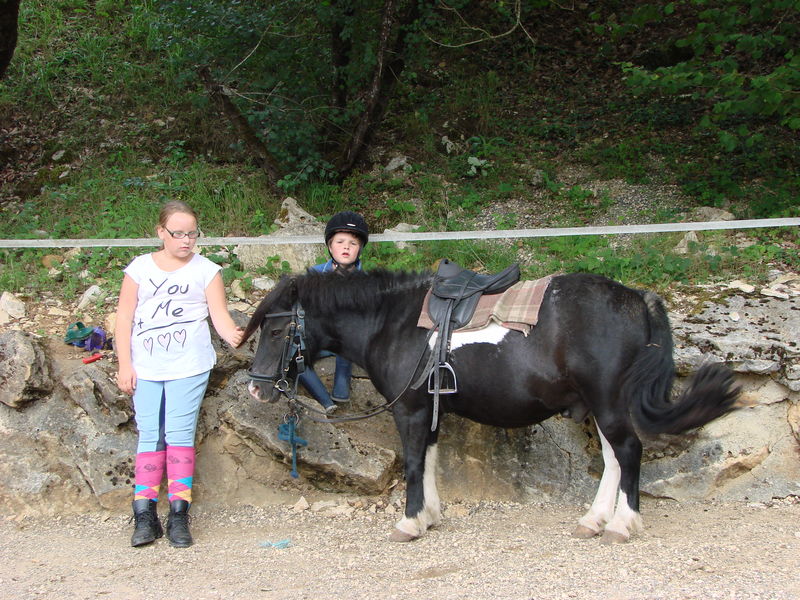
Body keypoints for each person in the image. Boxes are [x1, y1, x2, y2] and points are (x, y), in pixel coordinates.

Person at [115, 200, 243, 548]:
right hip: (145, 365)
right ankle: (144, 514)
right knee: (149, 435)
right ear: (161, 233)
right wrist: (124, 364)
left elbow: (220, 317)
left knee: (178, 434)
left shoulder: (207, 270)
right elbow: (123, 319)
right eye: (178, 234)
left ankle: (178, 514)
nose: (186, 241)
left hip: (189, 365)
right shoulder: (139, 269)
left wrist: (238, 334)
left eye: (192, 234)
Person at [298, 211, 369, 414]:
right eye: (340, 241)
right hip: (320, 338)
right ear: (330, 246)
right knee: (294, 354)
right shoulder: (314, 274)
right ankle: (326, 403)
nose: (346, 246)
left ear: (360, 249)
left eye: (353, 243)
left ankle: (341, 387)